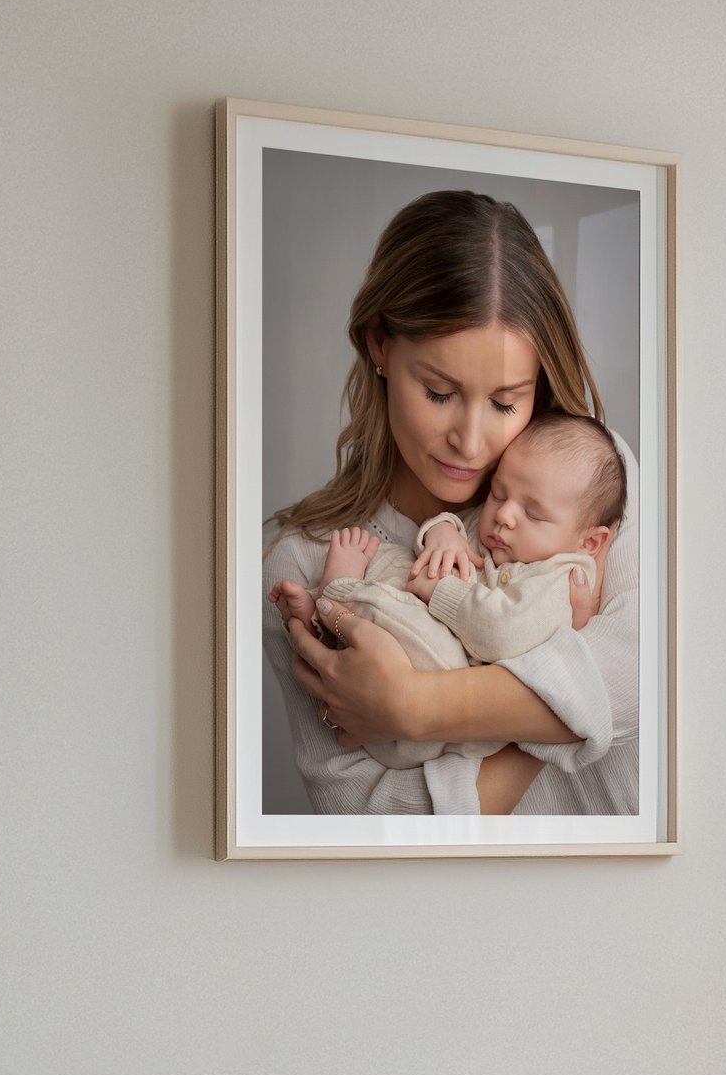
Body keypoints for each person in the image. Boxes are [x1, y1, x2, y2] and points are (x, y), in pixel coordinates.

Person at [263, 189, 639, 818]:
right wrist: (563, 716)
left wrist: (413, 707)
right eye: (439, 392)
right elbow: (367, 815)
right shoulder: (298, 559)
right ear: (379, 344)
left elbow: (645, 678)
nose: (470, 441)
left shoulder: (589, 485)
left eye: (505, 402)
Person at [269, 412, 625, 772]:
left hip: (435, 690)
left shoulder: (557, 579)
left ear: (589, 541)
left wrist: (441, 591)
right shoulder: (500, 534)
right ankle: (324, 615)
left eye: (533, 513)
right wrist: (443, 532)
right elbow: (457, 522)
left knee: (409, 617)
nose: (504, 515)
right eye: (498, 493)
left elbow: (499, 634)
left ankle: (337, 593)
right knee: (399, 564)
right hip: (391, 665)